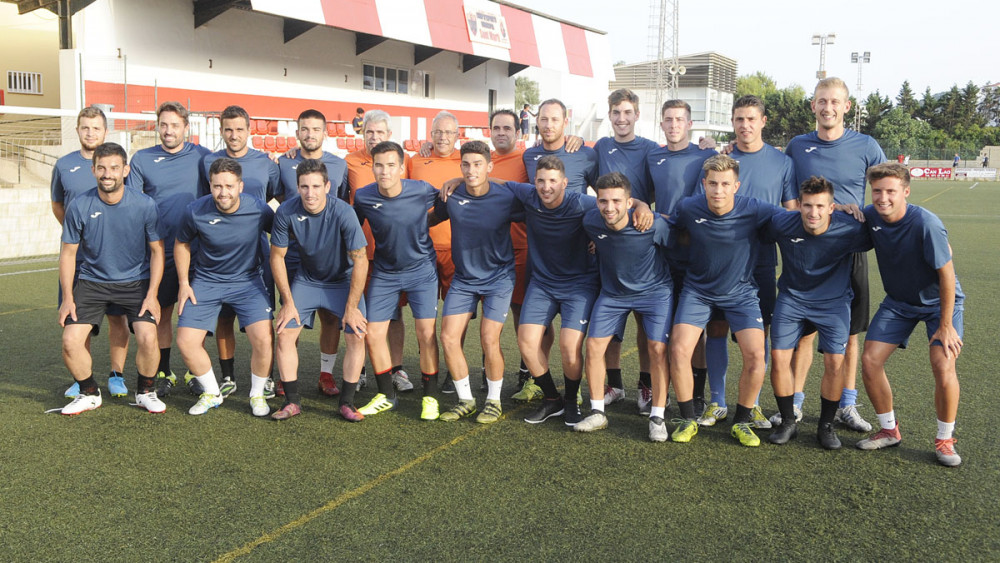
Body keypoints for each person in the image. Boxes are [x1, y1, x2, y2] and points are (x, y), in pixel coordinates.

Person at [784, 77, 886, 431]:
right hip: (808, 250)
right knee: (804, 333)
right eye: (821, 101)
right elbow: (785, 191)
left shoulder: (866, 145)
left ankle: (846, 404)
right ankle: (795, 404)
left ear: (846, 107)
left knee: (850, 334)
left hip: (849, 249)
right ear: (813, 106)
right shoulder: (797, 146)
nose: (828, 107)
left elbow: (885, 189)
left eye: (835, 102)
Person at [695, 95, 797, 429]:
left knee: (758, 337)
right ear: (733, 122)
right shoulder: (720, 158)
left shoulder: (782, 163)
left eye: (751, 119)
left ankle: (750, 405)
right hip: (721, 264)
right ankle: (717, 402)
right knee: (716, 331)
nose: (745, 125)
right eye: (739, 119)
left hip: (761, 263)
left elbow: (791, 211)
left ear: (763, 121)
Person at [856, 163, 965, 467]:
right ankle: (889, 430)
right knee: (870, 360)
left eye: (891, 191)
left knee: (943, 365)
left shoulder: (925, 223)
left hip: (940, 302)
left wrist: (945, 326)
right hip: (899, 303)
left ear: (905, 191)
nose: (883, 198)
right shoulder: (871, 215)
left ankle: (945, 439)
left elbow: (947, 274)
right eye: (877, 191)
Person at [667, 154, 775, 447]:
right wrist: (638, 205)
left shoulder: (755, 209)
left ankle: (741, 421)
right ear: (704, 184)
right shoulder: (689, 207)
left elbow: (794, 220)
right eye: (712, 184)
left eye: (725, 184)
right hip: (697, 291)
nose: (718, 190)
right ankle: (688, 418)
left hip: (741, 293)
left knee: (755, 355)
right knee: (678, 350)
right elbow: (666, 225)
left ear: (736, 185)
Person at [764, 176, 872, 449]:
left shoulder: (851, 228)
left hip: (833, 303)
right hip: (792, 299)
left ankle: (826, 426)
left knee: (835, 363)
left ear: (832, 207)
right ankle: (789, 421)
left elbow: (888, 230)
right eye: (808, 205)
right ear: (799, 205)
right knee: (778, 358)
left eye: (821, 206)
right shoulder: (781, 222)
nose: (814, 212)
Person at [58, 142, 165, 415]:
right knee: (71, 340)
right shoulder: (79, 205)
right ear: (93, 170)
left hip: (135, 282)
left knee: (148, 335)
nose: (108, 174)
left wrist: (152, 294)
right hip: (92, 282)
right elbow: (68, 254)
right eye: (102, 168)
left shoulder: (145, 205)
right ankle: (89, 392)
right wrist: (68, 298)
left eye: (114, 168)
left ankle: (145, 391)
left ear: (125, 170)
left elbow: (157, 251)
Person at [175, 158, 275, 417]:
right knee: (186, 341)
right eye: (217, 186)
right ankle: (211, 392)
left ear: (240, 186)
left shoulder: (258, 209)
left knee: (264, 339)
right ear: (210, 185)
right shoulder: (195, 210)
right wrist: (184, 283)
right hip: (207, 281)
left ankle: (257, 394)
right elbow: (182, 243)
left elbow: (281, 234)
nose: (223, 192)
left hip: (248, 281)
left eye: (229, 186)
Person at [270, 159, 369, 420]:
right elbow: (277, 257)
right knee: (285, 333)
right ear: (297, 186)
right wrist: (287, 302)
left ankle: (347, 402)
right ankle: (292, 402)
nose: (310, 193)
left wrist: (351, 307)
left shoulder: (344, 212)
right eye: (304, 186)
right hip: (308, 280)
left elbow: (360, 259)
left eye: (316, 186)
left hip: (342, 280)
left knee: (357, 334)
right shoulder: (286, 211)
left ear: (328, 186)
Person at [577, 173, 672, 442]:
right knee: (594, 346)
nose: (609, 207)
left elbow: (676, 247)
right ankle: (597, 412)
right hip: (613, 294)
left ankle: (657, 415)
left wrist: (645, 207)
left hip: (654, 293)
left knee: (657, 348)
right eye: (603, 201)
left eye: (617, 201)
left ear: (629, 201)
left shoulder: (653, 224)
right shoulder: (591, 221)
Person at [431, 141, 522, 424]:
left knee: (488, 338)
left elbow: (542, 215)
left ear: (489, 167)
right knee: (447, 337)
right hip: (464, 279)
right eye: (466, 165)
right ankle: (466, 400)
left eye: (478, 164)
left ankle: (493, 401)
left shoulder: (506, 197)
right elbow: (429, 219)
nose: (471, 170)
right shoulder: (452, 196)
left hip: (499, 278)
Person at [127, 101, 212, 398]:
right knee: (161, 311)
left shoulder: (203, 157)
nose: (168, 131)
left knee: (192, 312)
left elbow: (229, 173)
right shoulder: (141, 159)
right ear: (157, 126)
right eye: (163, 125)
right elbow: (133, 203)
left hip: (195, 249)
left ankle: (194, 370)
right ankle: (165, 371)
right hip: (158, 251)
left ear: (186, 128)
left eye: (175, 125)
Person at [354, 141, 442, 420]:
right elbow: (353, 227)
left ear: (402, 168)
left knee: (426, 334)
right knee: (373, 334)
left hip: (422, 271)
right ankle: (386, 396)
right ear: (373, 167)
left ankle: (431, 398)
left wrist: (424, 224)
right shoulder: (363, 196)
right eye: (379, 165)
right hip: (385, 272)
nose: (385, 171)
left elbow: (447, 205)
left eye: (391, 165)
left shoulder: (422, 189)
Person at [51, 106, 131, 400]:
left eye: (96, 128)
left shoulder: (117, 165)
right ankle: (82, 378)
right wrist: (79, 233)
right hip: (77, 257)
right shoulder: (64, 165)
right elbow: (59, 205)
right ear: (77, 131)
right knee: (75, 318)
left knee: (117, 318)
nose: (90, 133)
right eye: (85, 127)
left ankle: (117, 375)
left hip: (113, 259)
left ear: (105, 131)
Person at [202, 105, 280, 398]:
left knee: (262, 318)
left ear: (249, 130)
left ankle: (267, 378)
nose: (234, 135)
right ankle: (228, 376)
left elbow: (277, 194)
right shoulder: (208, 160)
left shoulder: (266, 163)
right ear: (221, 131)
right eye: (228, 130)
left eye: (239, 129)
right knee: (224, 317)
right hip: (218, 251)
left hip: (256, 251)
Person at [645, 99, 717, 417]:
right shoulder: (653, 157)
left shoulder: (705, 156)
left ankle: (697, 394)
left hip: (696, 253)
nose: (674, 124)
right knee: (657, 327)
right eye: (668, 119)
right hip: (662, 253)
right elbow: (643, 198)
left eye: (680, 119)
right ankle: (651, 390)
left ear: (690, 124)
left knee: (694, 329)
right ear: (661, 124)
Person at [592, 89, 661, 409]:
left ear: (637, 116)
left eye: (627, 112)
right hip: (610, 239)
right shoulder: (601, 146)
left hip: (642, 235)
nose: (622, 118)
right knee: (612, 326)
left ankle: (646, 386)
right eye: (616, 112)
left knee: (646, 327)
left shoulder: (649, 149)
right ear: (609, 116)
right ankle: (614, 385)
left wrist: (643, 204)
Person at [276, 109, 352, 397]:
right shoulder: (283, 163)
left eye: (315, 129)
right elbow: (279, 198)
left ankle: (326, 374)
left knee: (329, 317)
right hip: (293, 253)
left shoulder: (340, 165)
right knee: (289, 315)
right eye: (304, 129)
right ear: (297, 134)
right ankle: (286, 376)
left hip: (328, 255)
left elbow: (342, 203)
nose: (309, 134)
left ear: (325, 133)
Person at [344, 109, 411, 392]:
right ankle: (357, 370)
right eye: (369, 132)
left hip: (393, 253)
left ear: (389, 136)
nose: (374, 137)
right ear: (362, 134)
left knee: (394, 314)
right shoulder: (348, 162)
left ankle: (396, 369)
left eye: (380, 133)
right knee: (359, 311)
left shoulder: (400, 161)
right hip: (360, 253)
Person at [522, 99, 598, 195]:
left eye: (555, 120)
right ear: (537, 121)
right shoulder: (528, 156)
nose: (549, 125)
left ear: (565, 122)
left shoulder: (586, 155)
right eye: (544, 119)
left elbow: (604, 194)